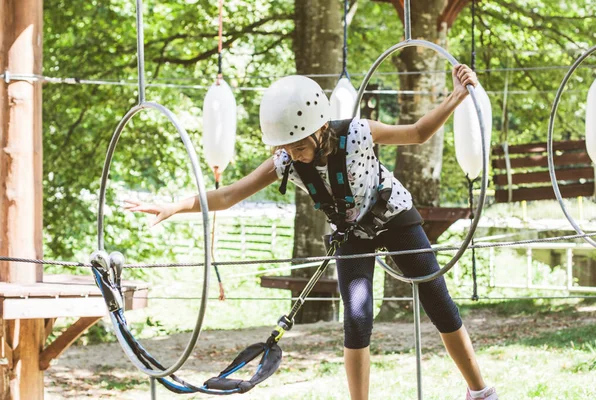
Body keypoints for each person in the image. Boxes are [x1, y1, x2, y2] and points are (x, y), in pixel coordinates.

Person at [124, 64, 498, 400]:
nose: (295, 153)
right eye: (286, 146)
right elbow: (228, 194)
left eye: (300, 144)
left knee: (437, 299)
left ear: (321, 128)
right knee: (356, 319)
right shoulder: (285, 159)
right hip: (352, 232)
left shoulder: (357, 133)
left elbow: (417, 133)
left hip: (393, 214)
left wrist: (456, 96)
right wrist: (175, 206)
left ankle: (480, 392)